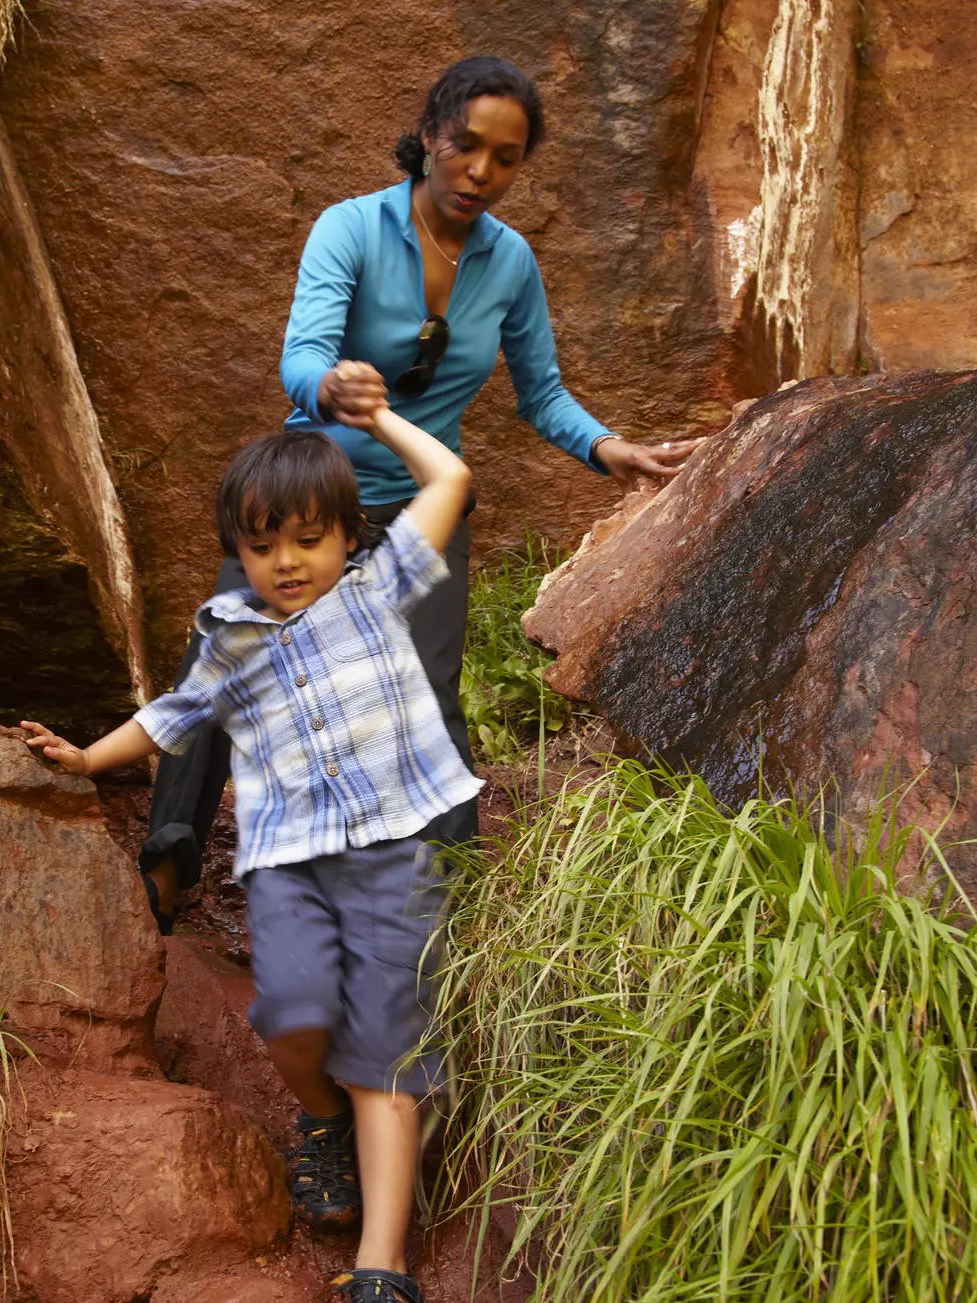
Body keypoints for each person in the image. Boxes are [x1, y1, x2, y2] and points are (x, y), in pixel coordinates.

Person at [139, 55, 700, 929]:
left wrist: (609, 447)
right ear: (430, 133)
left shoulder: (510, 263)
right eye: (465, 145)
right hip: (312, 495)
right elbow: (301, 355)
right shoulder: (352, 229)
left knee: (430, 692)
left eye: (505, 158)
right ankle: (168, 862)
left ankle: (452, 902)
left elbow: (541, 392)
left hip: (423, 508)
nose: (480, 171)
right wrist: (330, 389)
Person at [21, 401, 478, 1303]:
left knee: (386, 1062)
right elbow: (169, 720)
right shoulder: (230, 639)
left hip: (394, 852)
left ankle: (382, 1274)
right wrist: (81, 759)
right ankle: (323, 1122)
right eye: (263, 545)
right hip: (287, 862)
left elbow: (450, 483)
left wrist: (384, 417)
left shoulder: (378, 591)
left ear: (350, 537)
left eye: (310, 540)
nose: (287, 562)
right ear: (239, 551)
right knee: (295, 1015)